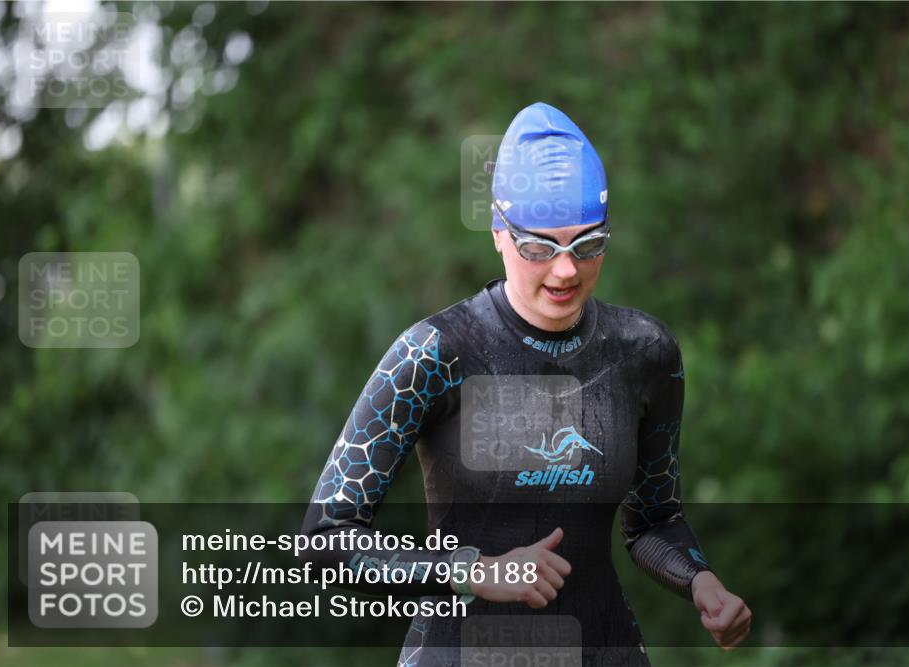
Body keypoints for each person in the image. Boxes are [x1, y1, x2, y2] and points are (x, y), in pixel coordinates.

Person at [300, 102, 751, 666]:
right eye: (539, 248)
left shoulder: (644, 351)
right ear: (498, 232)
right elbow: (326, 540)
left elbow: (654, 521)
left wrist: (701, 582)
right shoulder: (433, 354)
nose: (566, 270)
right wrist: (476, 572)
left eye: (587, 245)